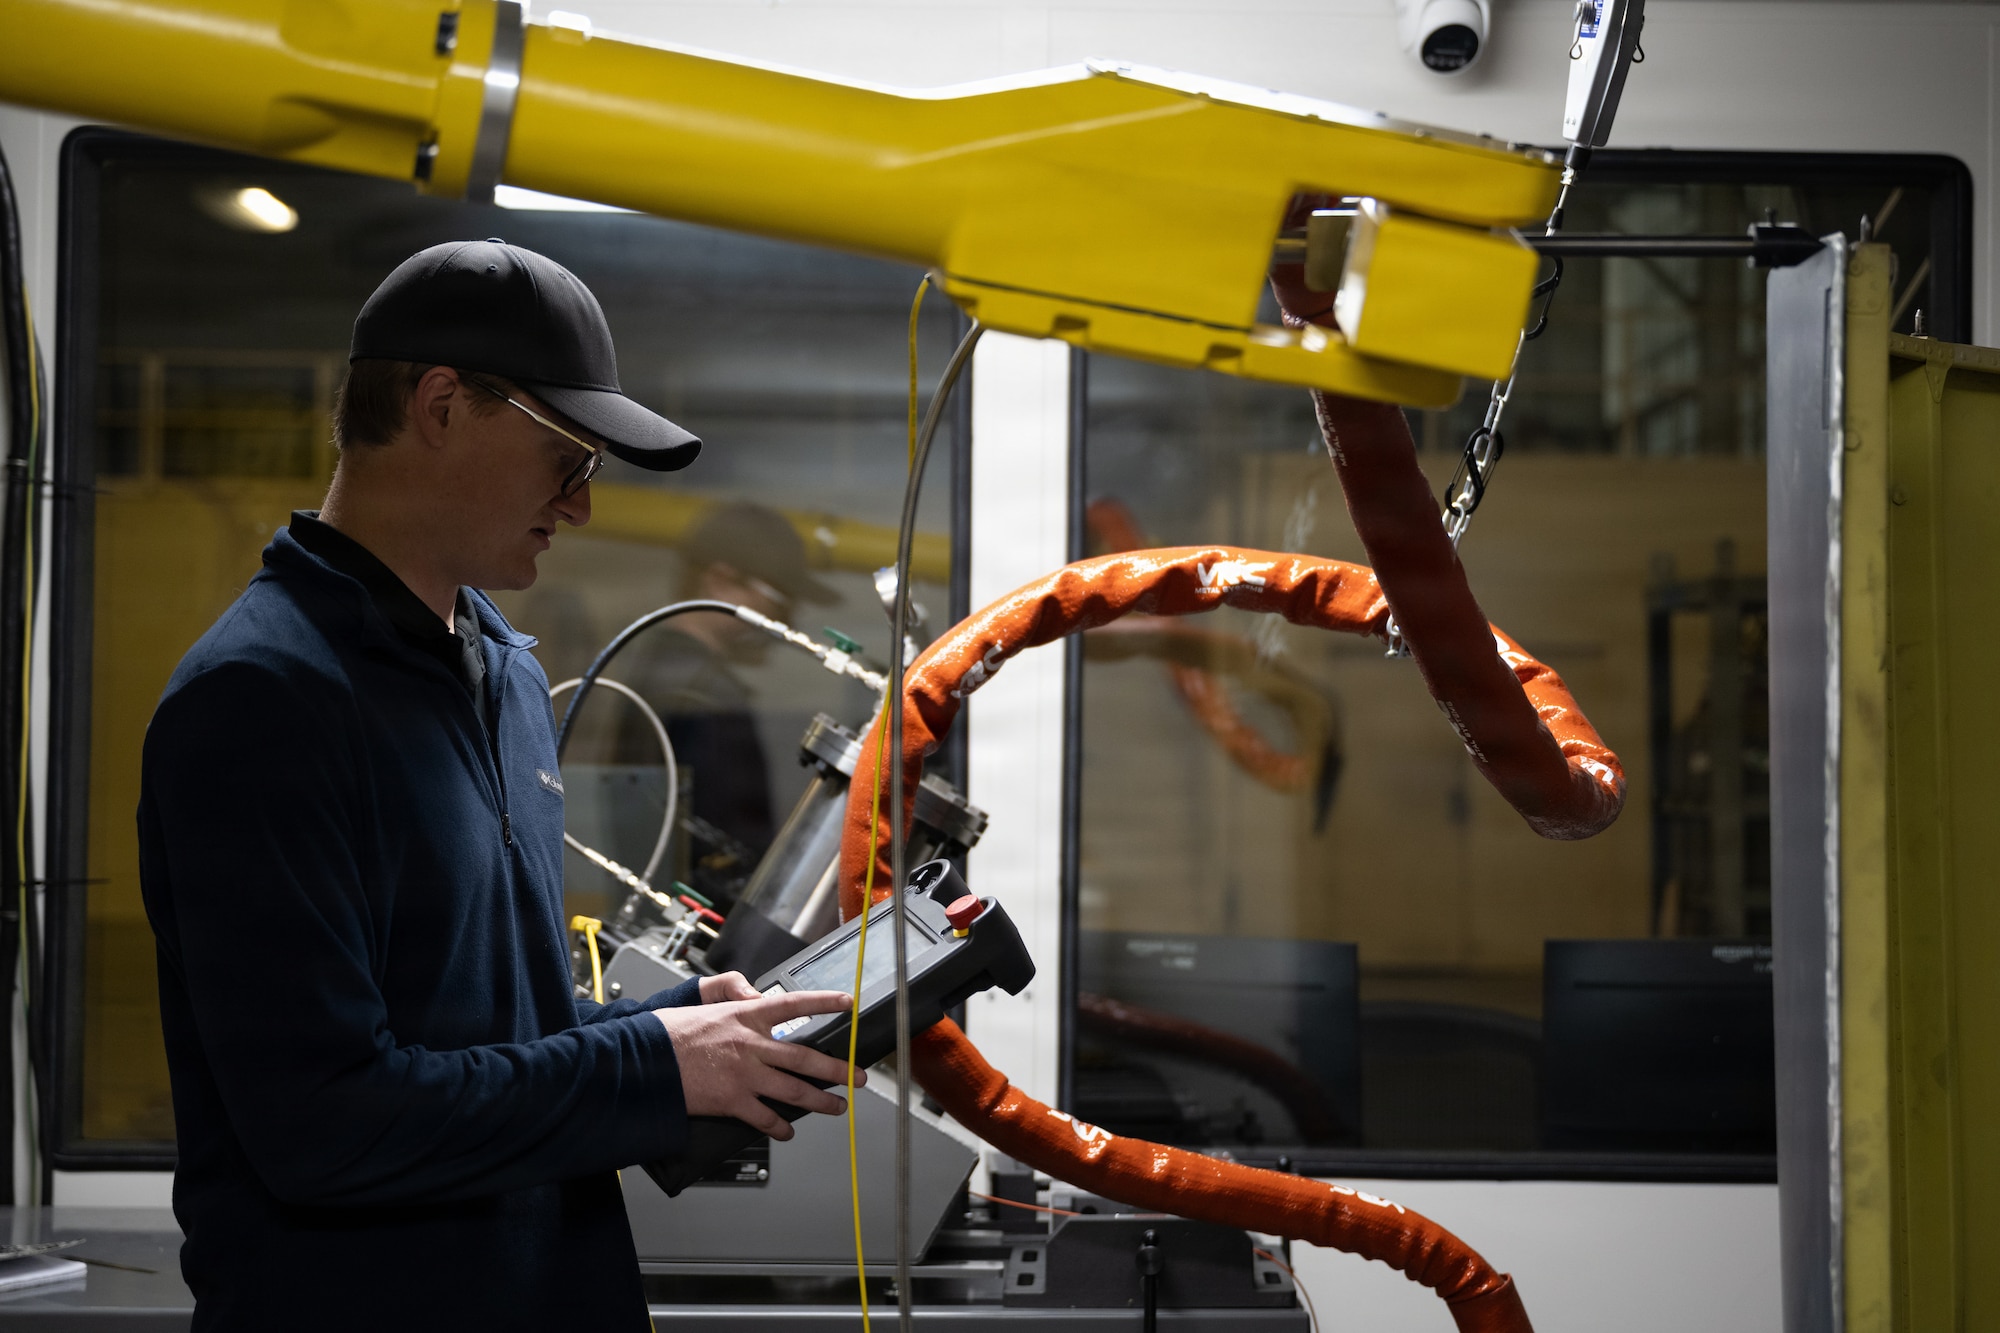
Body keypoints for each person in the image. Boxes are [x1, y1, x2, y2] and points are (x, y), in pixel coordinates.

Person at [135, 239, 862, 1332]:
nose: (576, 504)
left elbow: (474, 1018)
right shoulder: (260, 700)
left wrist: (678, 1028)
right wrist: (646, 1069)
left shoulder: (502, 669)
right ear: (440, 405)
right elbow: (326, 1122)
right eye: (565, 457)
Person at [609, 501, 838, 902]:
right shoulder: (697, 694)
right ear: (720, 581)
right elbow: (728, 847)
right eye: (780, 602)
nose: (788, 622)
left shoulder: (659, 672)